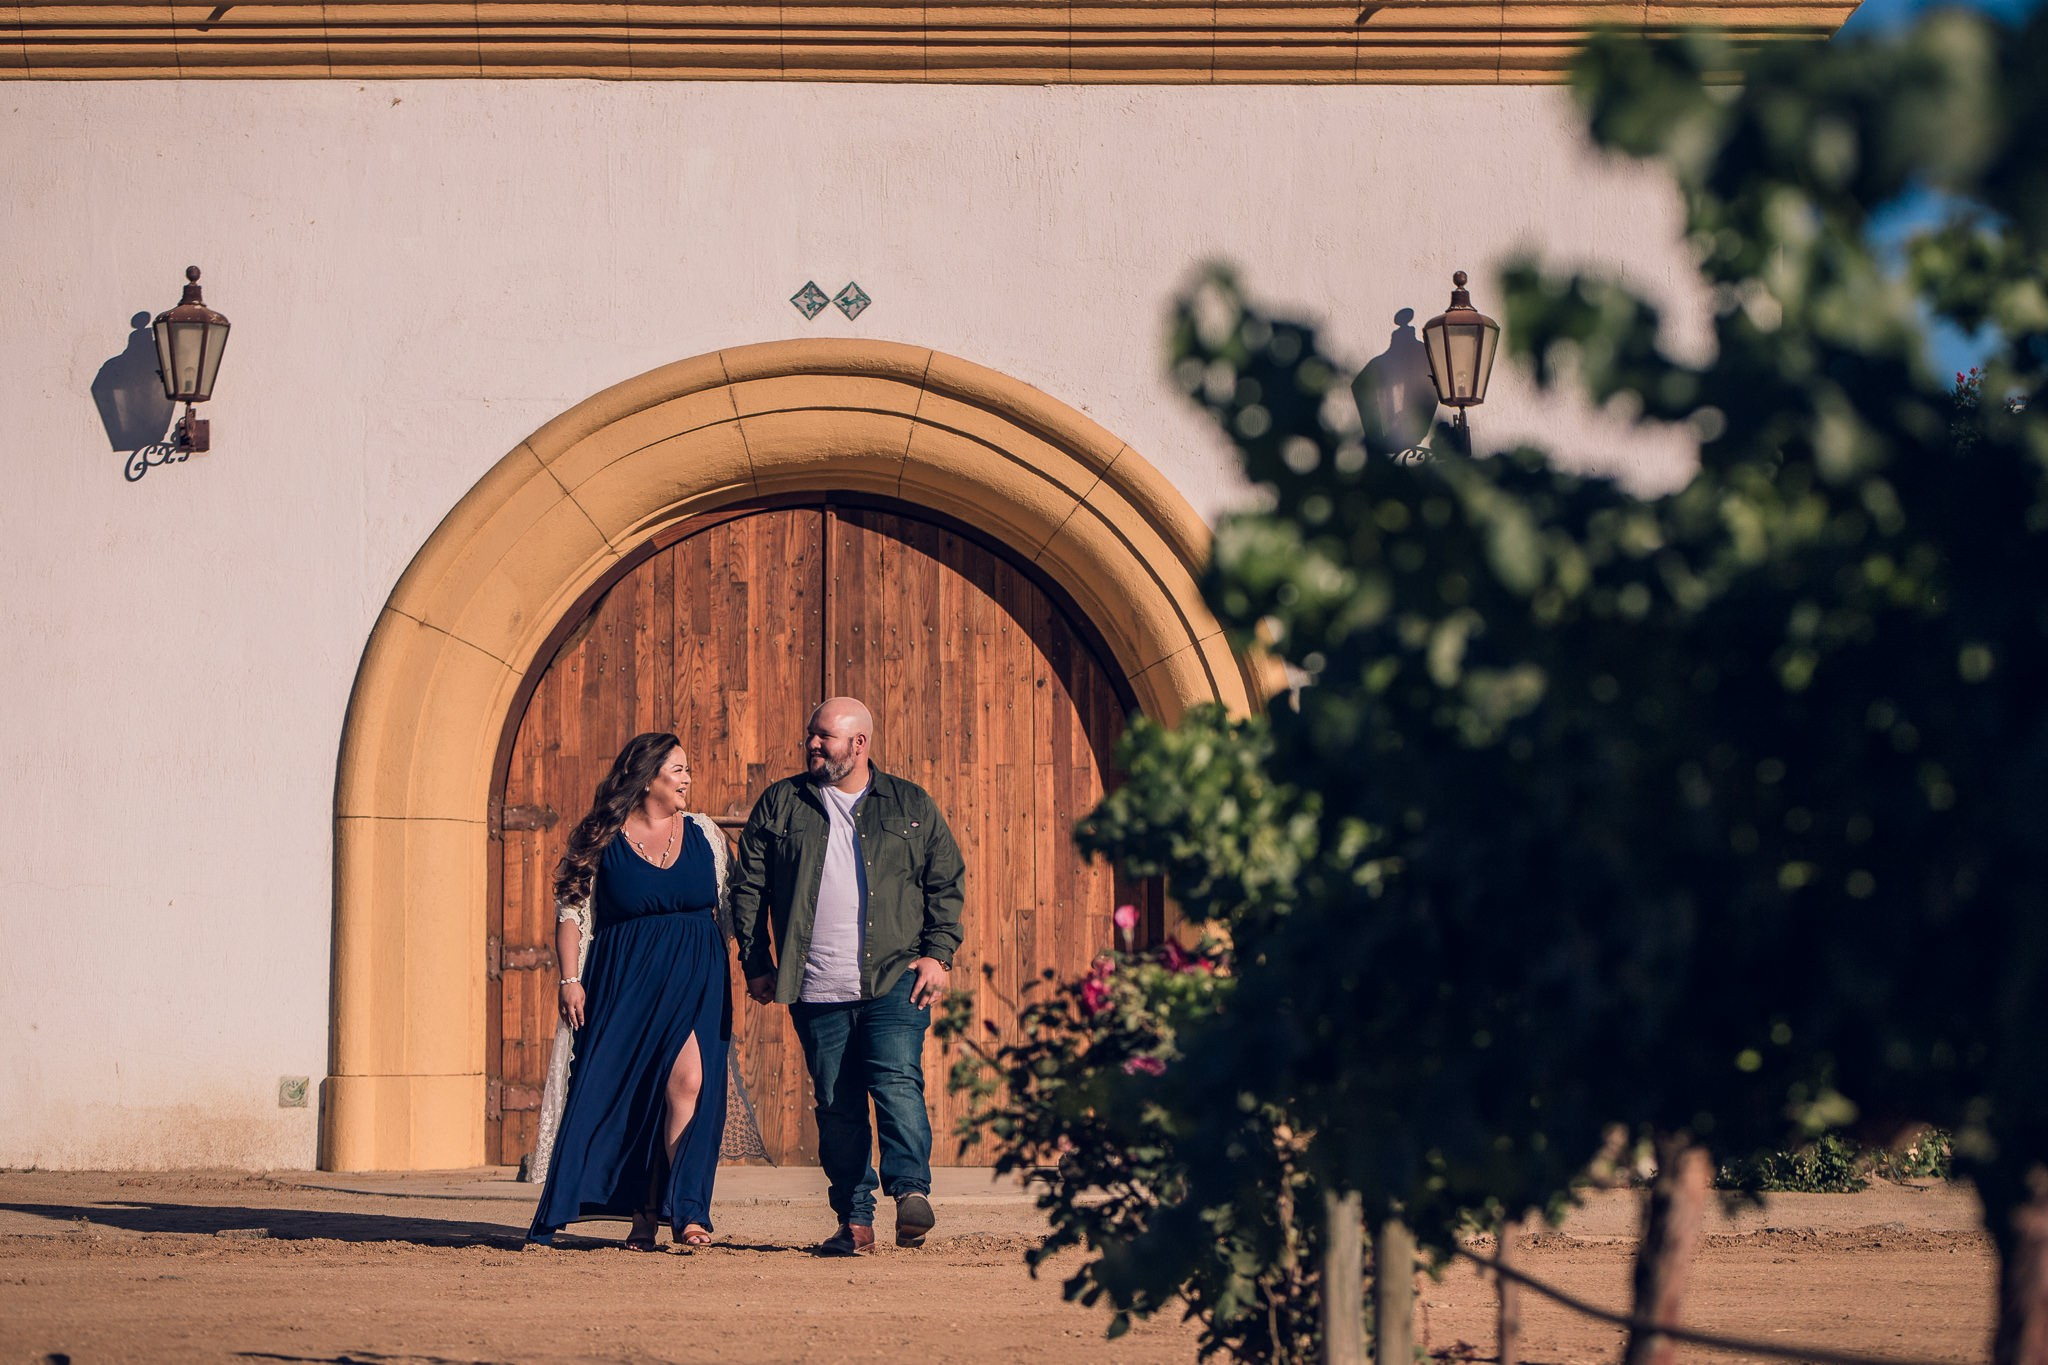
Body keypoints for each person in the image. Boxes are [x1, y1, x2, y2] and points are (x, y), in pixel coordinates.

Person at [729, 696, 966, 1255]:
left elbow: (945, 881)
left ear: (859, 744)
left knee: (897, 1080)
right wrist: (757, 962)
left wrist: (939, 953)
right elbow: (748, 889)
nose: (813, 744)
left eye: (825, 736)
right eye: (811, 734)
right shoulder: (782, 803)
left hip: (895, 978)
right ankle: (855, 1219)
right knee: (836, 1102)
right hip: (814, 985)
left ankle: (910, 1192)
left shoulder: (909, 803)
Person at [527, 732, 733, 1250]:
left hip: (695, 975)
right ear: (647, 777)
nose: (688, 779)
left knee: (690, 1082)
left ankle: (687, 1211)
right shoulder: (599, 837)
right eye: (678, 770)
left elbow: (727, 909)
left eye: (688, 770)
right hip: (623, 980)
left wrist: (726, 963)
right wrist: (570, 980)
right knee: (628, 1095)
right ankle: (642, 1213)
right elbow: (572, 911)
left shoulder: (706, 834)